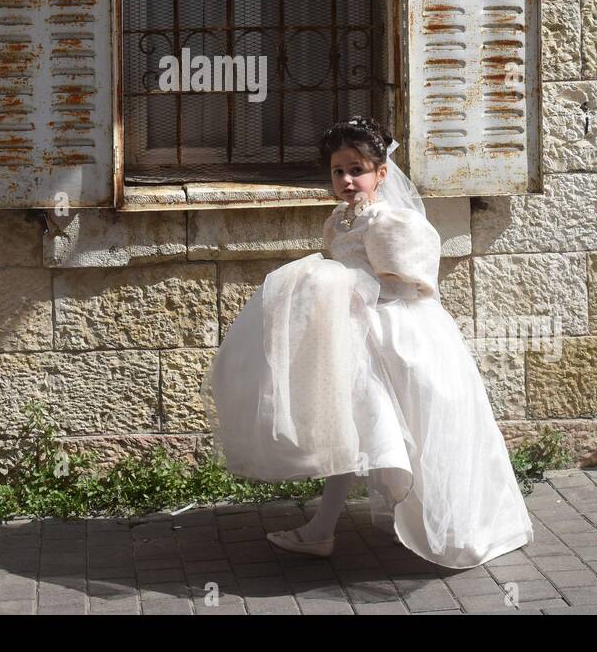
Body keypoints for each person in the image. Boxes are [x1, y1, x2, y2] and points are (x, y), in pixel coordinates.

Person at [200, 116, 534, 567]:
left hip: (396, 336)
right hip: (352, 338)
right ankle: (322, 528)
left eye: (357, 169)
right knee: (352, 426)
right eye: (338, 171)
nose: (346, 180)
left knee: (410, 431)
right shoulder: (339, 221)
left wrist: (351, 291)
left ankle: (450, 522)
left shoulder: (392, 221)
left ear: (381, 172)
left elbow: (409, 286)